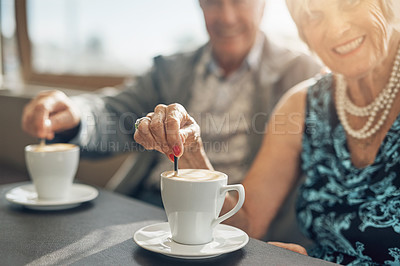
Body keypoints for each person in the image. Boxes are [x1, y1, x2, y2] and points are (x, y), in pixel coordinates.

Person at [133, 0, 400, 264]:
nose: (337, 28)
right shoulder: (302, 104)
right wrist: (191, 151)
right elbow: (247, 222)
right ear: (303, 33)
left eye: (350, 3)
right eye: (314, 16)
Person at [22, 0, 321, 206]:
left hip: (226, 219)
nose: (227, 17)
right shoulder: (170, 69)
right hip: (147, 204)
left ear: (263, 5)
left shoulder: (301, 74)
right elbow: (114, 113)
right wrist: (76, 114)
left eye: (239, 1)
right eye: (214, 2)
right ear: (200, 6)